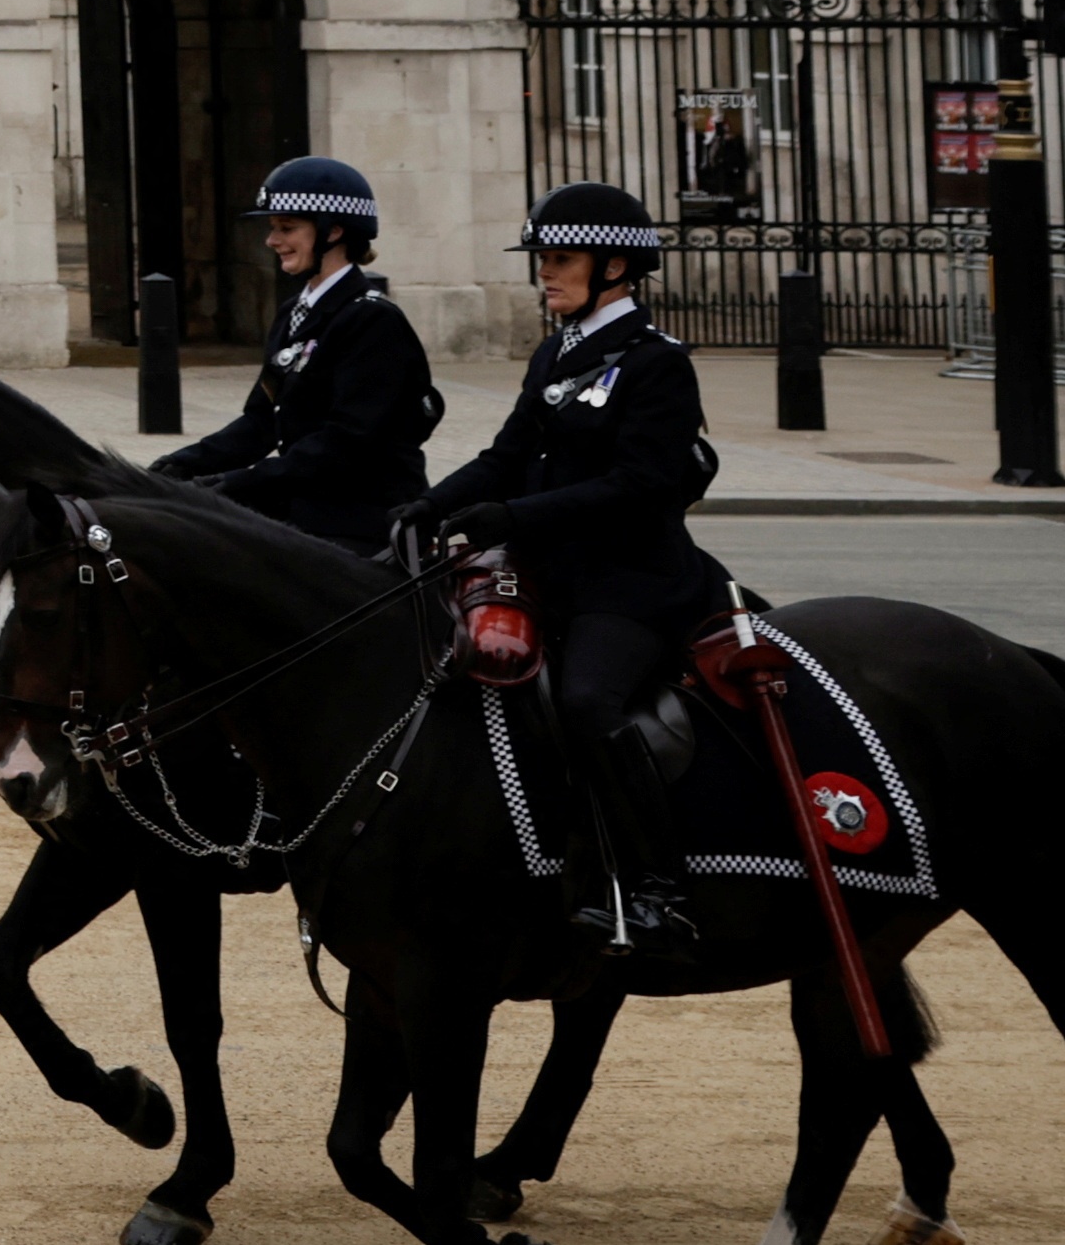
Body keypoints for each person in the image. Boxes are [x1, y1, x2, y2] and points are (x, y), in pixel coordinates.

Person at [413, 179, 730, 950]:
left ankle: (660, 885)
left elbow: (641, 485)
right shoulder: (557, 352)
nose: (545, 272)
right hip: (551, 574)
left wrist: (514, 515)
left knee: (588, 699)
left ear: (616, 264)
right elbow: (506, 455)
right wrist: (427, 507)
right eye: (542, 258)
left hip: (632, 582)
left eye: (561, 258)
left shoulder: (657, 364)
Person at [157, 155, 440, 540]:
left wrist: (238, 482)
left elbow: (346, 444)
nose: (272, 241)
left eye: (287, 228)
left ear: (334, 231)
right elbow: (262, 422)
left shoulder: (372, 321)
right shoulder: (295, 312)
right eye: (273, 228)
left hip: (362, 518)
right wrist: (177, 467)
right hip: (304, 502)